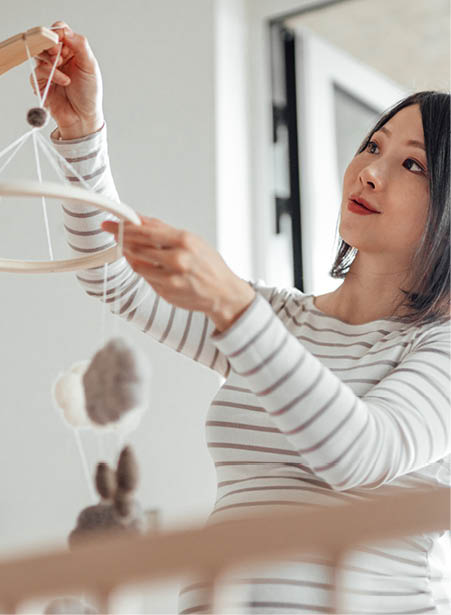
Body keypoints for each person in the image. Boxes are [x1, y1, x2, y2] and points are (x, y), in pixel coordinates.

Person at [33, 21, 450, 614]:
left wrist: (235, 305)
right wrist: (80, 132)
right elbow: (112, 277)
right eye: (374, 145)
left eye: (415, 166)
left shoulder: (439, 347)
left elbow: (361, 454)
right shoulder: (277, 320)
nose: (370, 171)